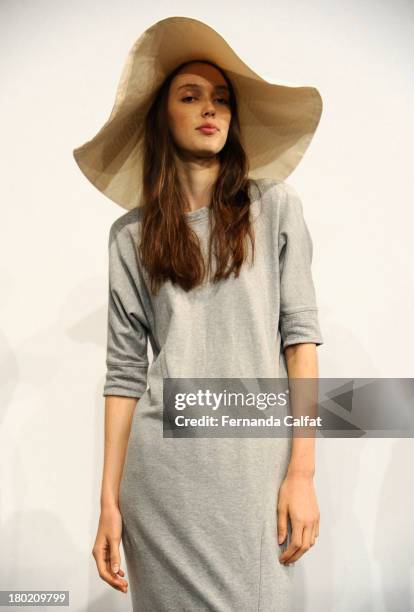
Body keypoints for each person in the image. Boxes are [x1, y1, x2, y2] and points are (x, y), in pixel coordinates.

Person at [73, 16, 324, 612]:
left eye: (221, 99)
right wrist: (109, 502)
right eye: (191, 96)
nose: (210, 109)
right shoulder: (129, 237)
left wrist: (302, 474)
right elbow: (124, 375)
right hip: (160, 482)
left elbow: (302, 341)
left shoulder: (275, 209)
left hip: (252, 471)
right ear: (164, 115)